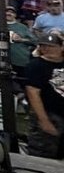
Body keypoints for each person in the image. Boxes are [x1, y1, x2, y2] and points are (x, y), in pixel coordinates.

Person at [23, 30, 64, 159]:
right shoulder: (36, 65)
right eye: (43, 46)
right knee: (42, 154)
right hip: (49, 113)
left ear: (61, 47)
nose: (47, 49)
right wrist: (43, 120)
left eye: (51, 46)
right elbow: (33, 93)